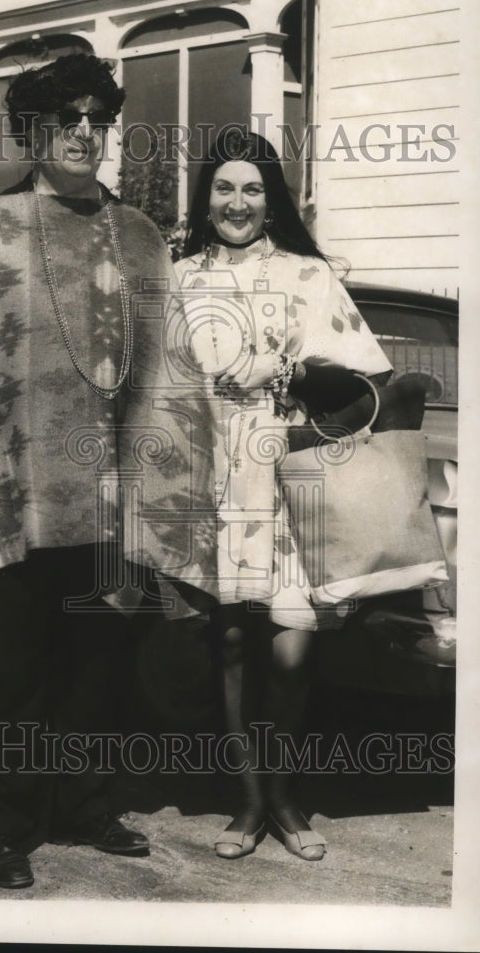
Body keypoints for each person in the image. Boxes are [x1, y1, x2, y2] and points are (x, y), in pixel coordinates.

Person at [0, 54, 218, 889]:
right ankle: (4, 822)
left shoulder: (143, 239)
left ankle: (81, 805)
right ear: (33, 130)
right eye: (63, 118)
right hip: (6, 497)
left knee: (97, 666)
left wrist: (165, 498)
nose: (82, 132)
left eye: (96, 119)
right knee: (6, 669)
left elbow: (170, 378)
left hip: (107, 503)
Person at [175, 128, 392, 862]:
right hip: (215, 483)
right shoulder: (176, 280)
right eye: (225, 187)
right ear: (206, 199)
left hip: (295, 478)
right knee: (233, 642)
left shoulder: (308, 275)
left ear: (273, 203)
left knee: (294, 648)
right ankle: (247, 802)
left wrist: (289, 373)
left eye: (254, 189)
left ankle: (286, 798)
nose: (238, 202)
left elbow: (369, 383)